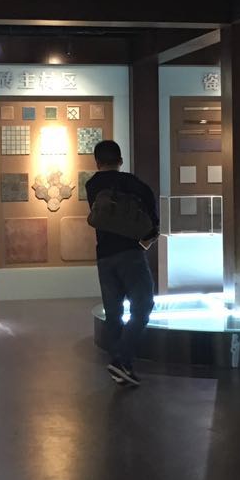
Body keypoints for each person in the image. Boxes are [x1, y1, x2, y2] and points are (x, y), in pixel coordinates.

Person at [84, 140, 159, 387]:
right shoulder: (133, 183)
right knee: (143, 305)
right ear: (121, 160)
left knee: (114, 313)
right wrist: (146, 240)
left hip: (104, 256)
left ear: (97, 162)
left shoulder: (92, 185)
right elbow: (152, 221)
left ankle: (121, 366)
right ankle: (121, 360)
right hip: (130, 254)